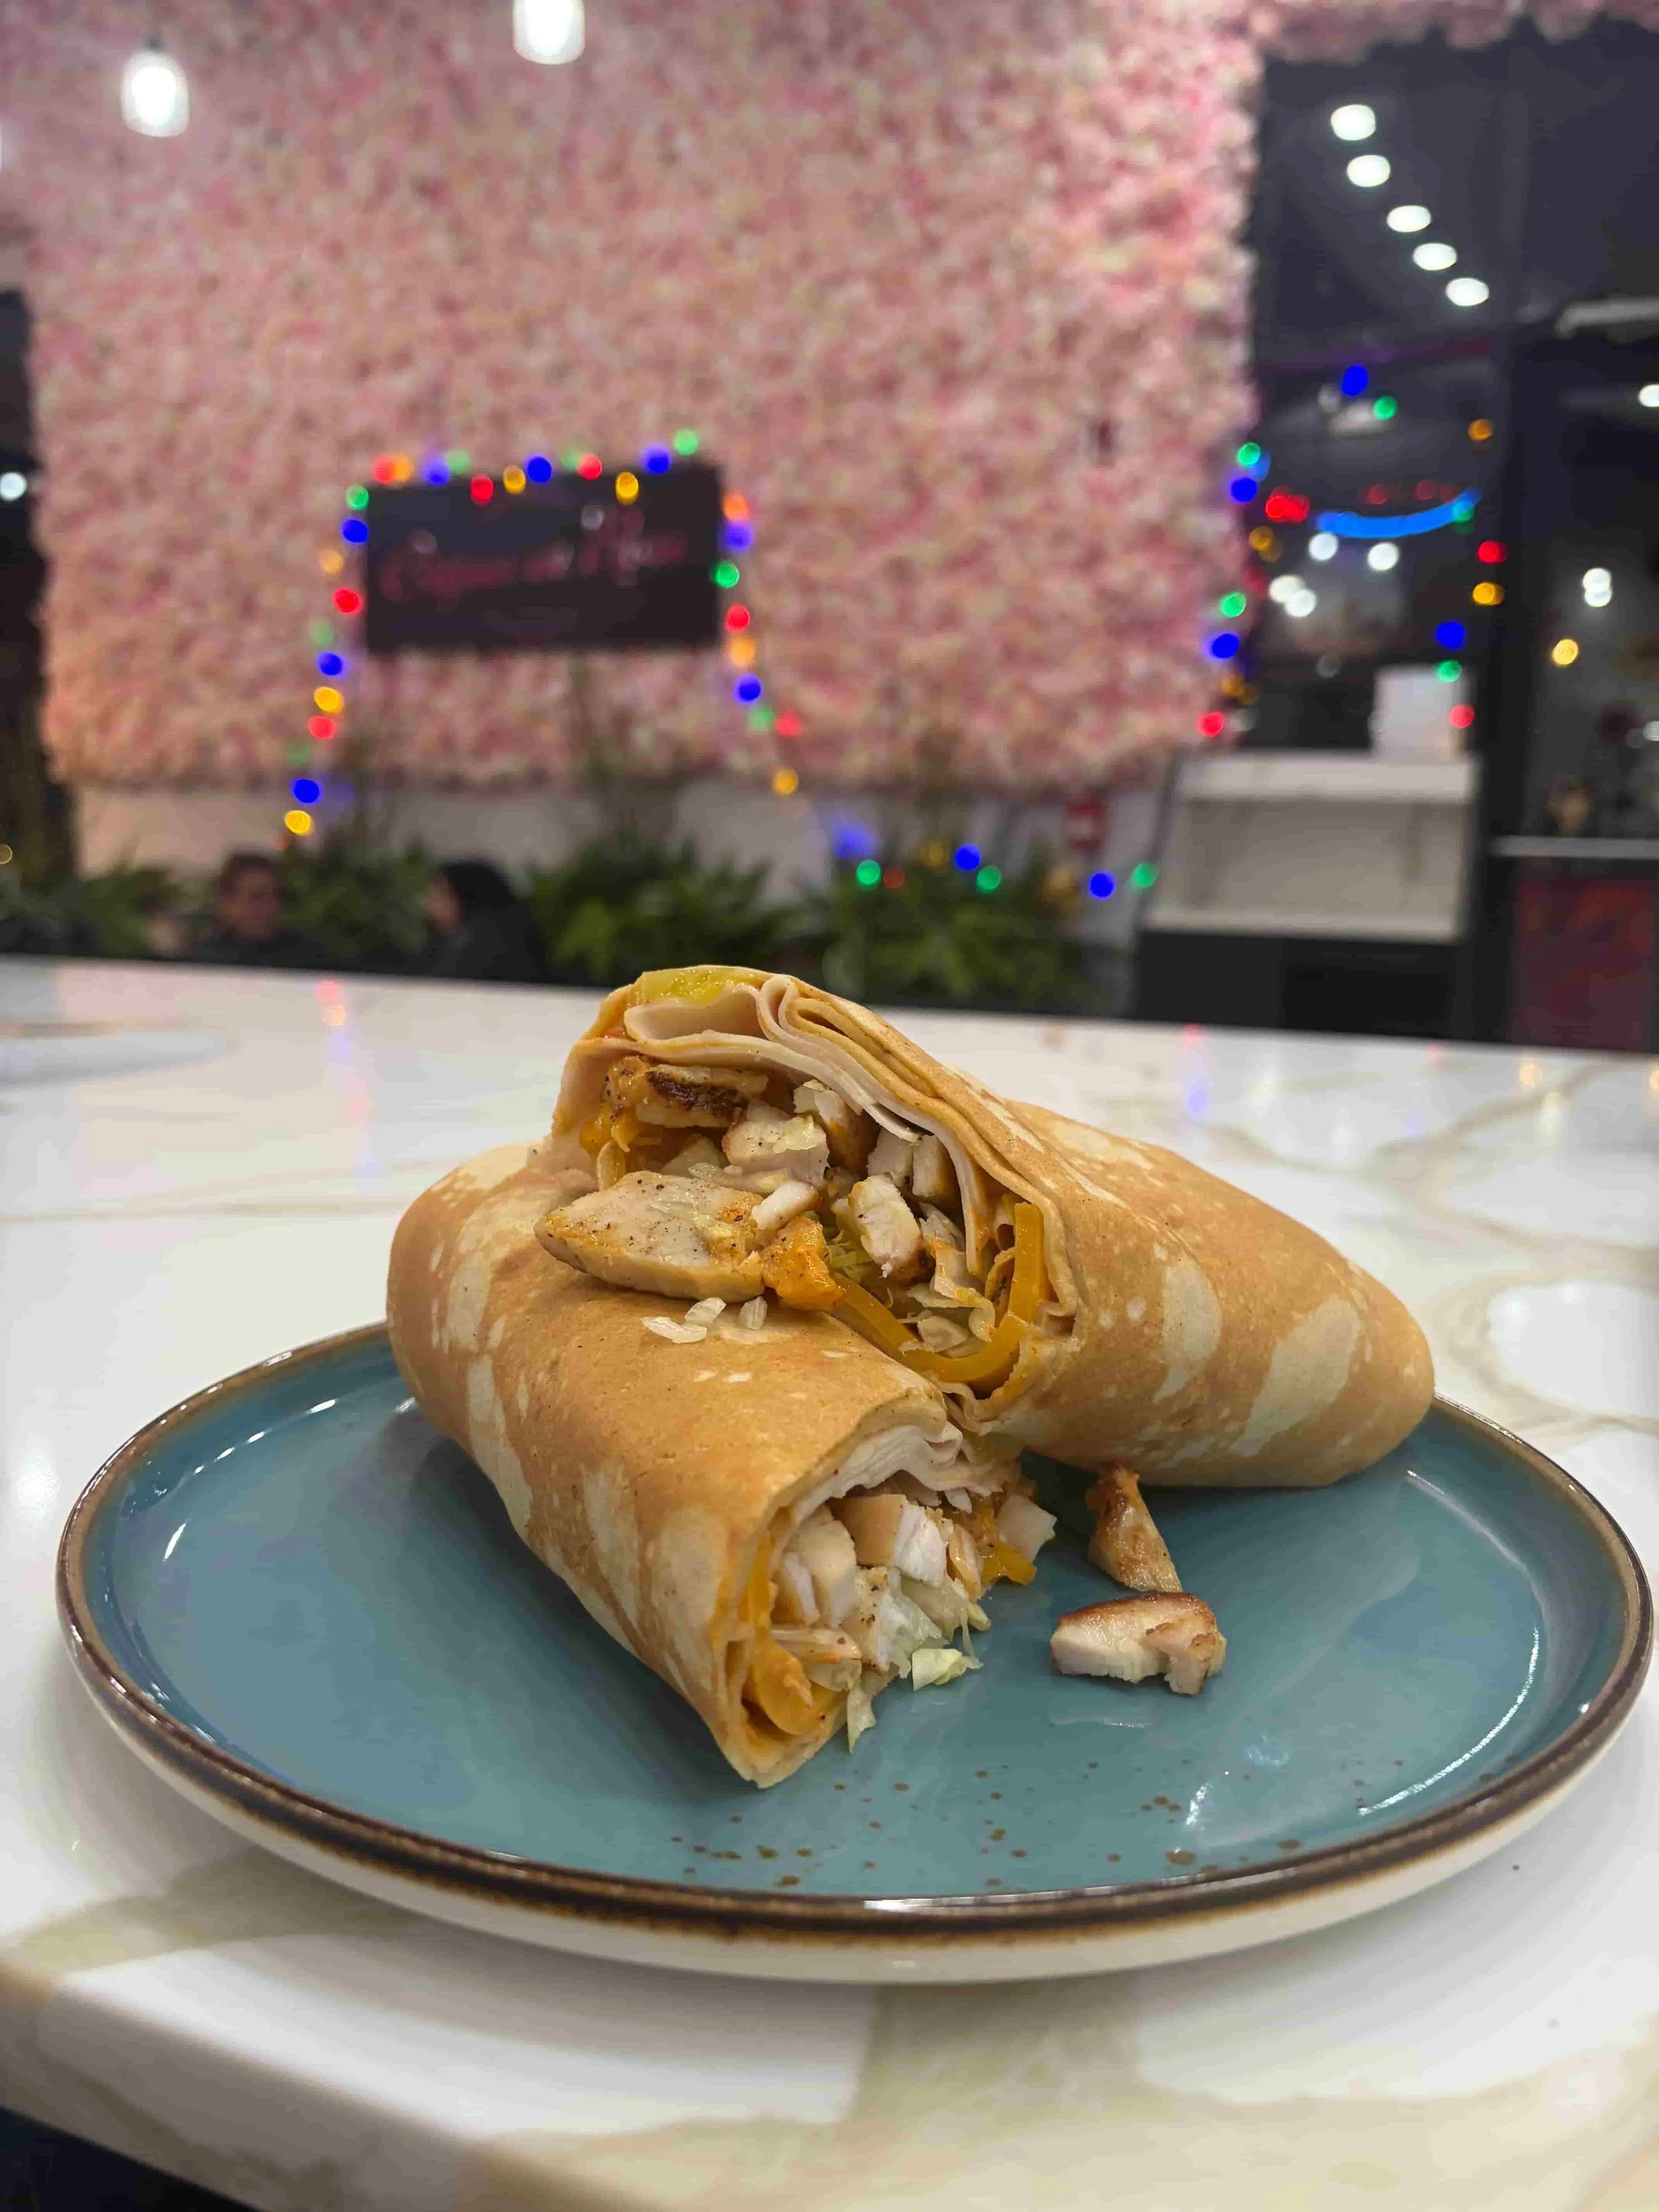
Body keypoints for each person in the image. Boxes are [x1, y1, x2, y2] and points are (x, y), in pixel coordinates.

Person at [190, 852, 326, 970]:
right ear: (226, 903)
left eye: (277, 896)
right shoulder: (198, 964)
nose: (271, 906)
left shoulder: (310, 959)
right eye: (258, 896)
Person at [423, 859, 544, 983]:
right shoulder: (447, 941)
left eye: (443, 895)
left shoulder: (486, 938)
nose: (431, 907)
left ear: (468, 896)